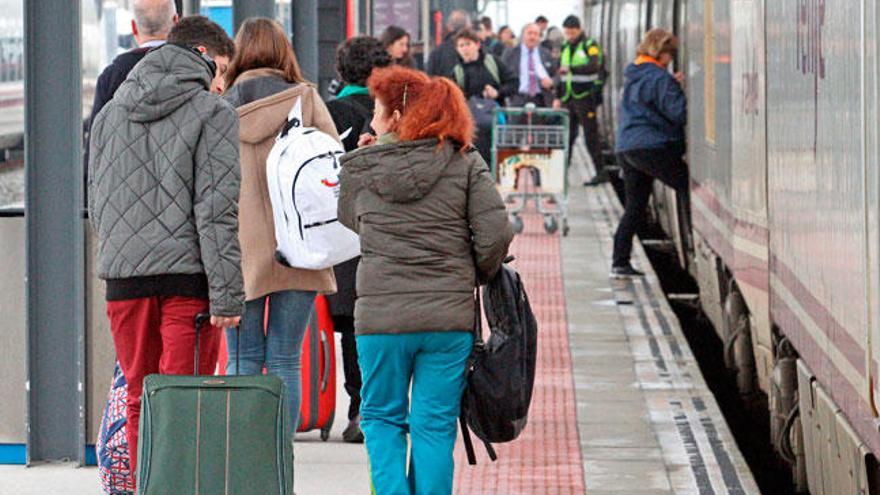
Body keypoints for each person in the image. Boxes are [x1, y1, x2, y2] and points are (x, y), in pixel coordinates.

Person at [337, 65, 513, 495]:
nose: (371, 121)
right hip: (447, 319)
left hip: (381, 318)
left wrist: (368, 158)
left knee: (381, 419)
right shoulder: (465, 161)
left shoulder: (362, 164)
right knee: (433, 424)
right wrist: (472, 272)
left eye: (377, 112)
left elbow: (350, 220)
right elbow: (496, 234)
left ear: (396, 117)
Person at [87, 16, 239, 480]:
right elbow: (217, 210)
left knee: (140, 395)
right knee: (185, 401)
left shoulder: (109, 113)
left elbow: (97, 198)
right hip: (187, 285)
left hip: (124, 284)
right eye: (224, 73)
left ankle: (147, 488)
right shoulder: (213, 114)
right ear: (205, 57)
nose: (222, 86)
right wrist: (229, 293)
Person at [222, 17, 340, 433]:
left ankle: (243, 454)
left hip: (239, 251)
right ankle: (277, 456)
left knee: (242, 358)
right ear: (283, 51)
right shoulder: (305, 99)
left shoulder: (220, 106)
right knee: (286, 358)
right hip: (300, 245)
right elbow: (334, 165)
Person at [323, 35, 391, 443]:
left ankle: (359, 408)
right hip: (390, 237)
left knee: (351, 324)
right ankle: (384, 407)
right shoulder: (394, 112)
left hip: (343, 234)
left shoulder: (328, 113)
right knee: (386, 326)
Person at [611, 29, 687, 278]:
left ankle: (619, 262)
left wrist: (669, 84)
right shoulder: (660, 78)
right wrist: (678, 89)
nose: (670, 59)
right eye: (670, 54)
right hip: (651, 147)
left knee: (635, 205)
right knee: (689, 186)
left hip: (627, 147)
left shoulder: (634, 73)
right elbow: (679, 113)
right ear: (662, 52)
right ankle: (693, 236)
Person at [84, 0, 178, 189]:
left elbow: (96, 148)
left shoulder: (112, 77)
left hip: (123, 200)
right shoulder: (192, 71)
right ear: (176, 22)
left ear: (134, 27)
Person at [451, 28, 517, 164]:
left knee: (497, 164)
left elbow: (514, 83)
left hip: (496, 127)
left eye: (468, 44)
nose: (464, 49)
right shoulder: (457, 72)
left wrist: (497, 92)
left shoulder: (493, 62)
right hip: (470, 130)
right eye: (460, 45)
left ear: (477, 45)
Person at [557, 14, 607, 185]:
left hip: (585, 98)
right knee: (568, 136)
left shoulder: (590, 45)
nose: (569, 36)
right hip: (568, 98)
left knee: (590, 136)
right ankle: (563, 174)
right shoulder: (564, 46)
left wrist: (570, 68)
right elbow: (560, 74)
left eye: (571, 32)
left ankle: (600, 172)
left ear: (579, 30)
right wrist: (558, 96)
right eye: (567, 33)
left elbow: (595, 65)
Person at [502, 23, 559, 108]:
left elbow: (557, 75)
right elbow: (501, 75)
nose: (532, 37)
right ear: (523, 35)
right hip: (517, 99)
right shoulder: (510, 53)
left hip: (541, 100)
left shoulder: (546, 54)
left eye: (536, 34)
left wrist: (551, 82)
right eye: (529, 33)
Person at [427, 9, 470, 76]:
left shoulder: (436, 53)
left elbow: (430, 80)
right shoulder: (478, 50)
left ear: (449, 26)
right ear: (467, 26)